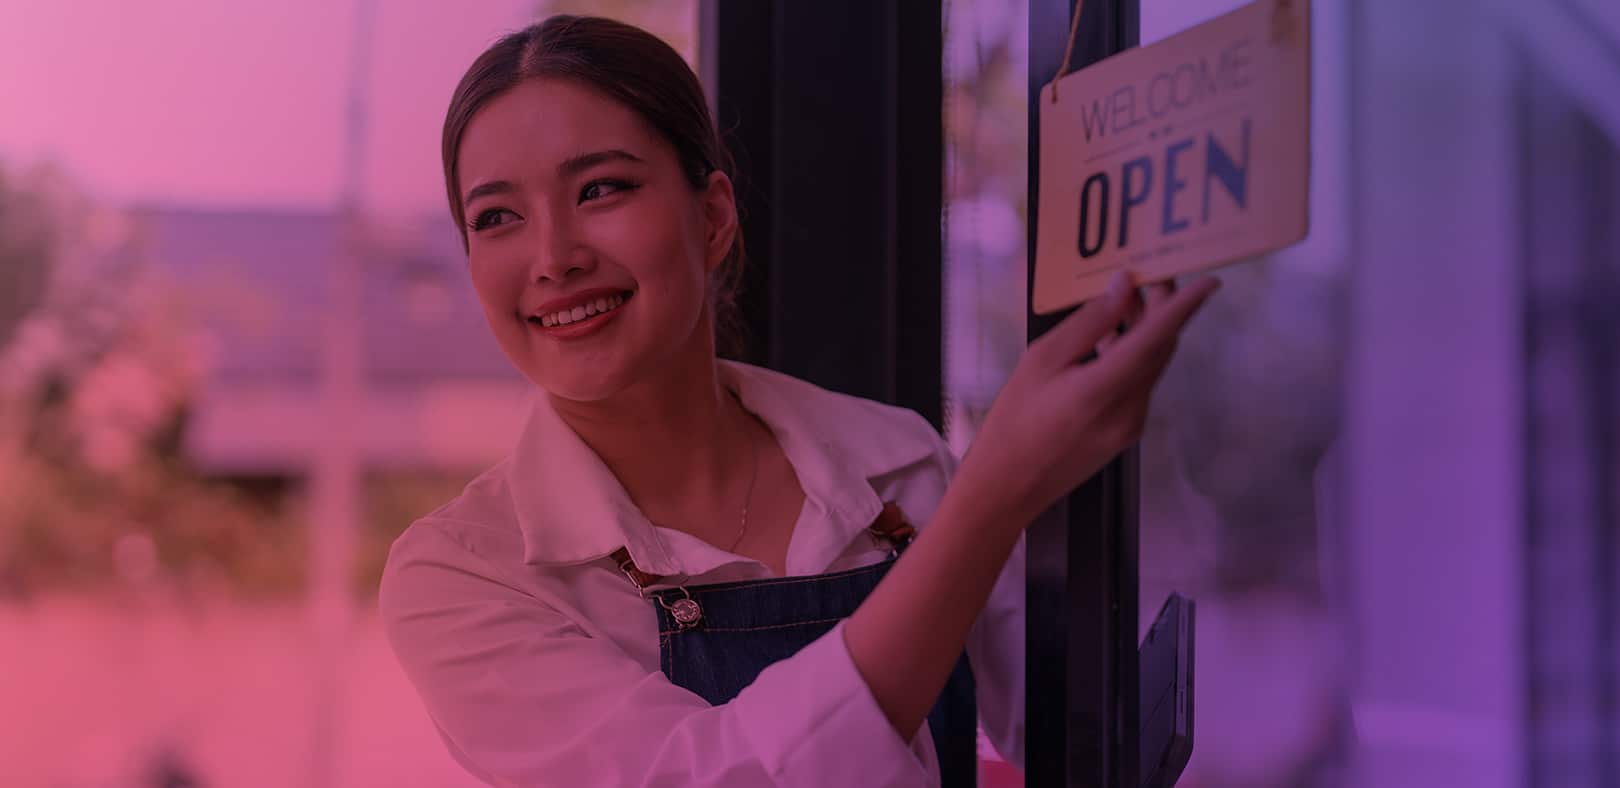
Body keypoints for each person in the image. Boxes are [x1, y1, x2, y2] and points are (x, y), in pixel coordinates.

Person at [378, 14, 1219, 788]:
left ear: (711, 219)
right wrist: (994, 497)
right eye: (496, 218)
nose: (553, 257)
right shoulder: (464, 573)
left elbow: (1070, 745)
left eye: (600, 190)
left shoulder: (897, 461)